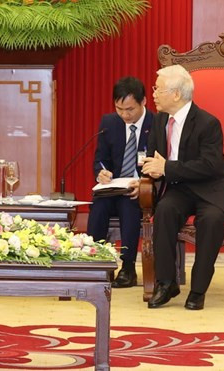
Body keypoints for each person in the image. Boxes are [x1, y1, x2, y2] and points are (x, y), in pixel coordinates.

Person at [141, 64, 224, 310]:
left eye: (158, 89)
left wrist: (166, 168)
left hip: (211, 189)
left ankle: (198, 290)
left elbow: (208, 166)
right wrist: (145, 174)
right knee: (165, 211)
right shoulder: (159, 121)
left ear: (176, 94)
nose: (153, 93)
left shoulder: (208, 123)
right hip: (181, 188)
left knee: (211, 221)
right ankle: (166, 283)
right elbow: (152, 158)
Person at [87, 76, 153, 288]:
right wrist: (101, 173)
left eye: (130, 109)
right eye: (119, 109)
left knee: (129, 205)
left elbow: (164, 160)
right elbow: (100, 159)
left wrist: (144, 183)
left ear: (144, 102)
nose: (124, 115)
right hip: (114, 186)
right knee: (98, 205)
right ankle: (96, 265)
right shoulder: (109, 122)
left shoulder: (157, 123)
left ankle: (128, 267)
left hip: (140, 189)